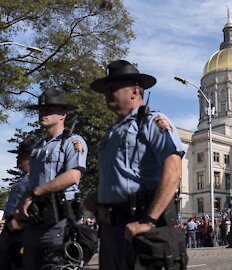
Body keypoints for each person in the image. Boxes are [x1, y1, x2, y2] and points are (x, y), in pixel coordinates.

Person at [86, 60, 185, 270]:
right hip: (111, 230)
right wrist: (99, 198)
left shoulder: (151, 121)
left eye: (112, 87)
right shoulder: (110, 134)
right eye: (105, 89)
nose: (106, 93)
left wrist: (149, 220)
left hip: (140, 226)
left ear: (134, 91)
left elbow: (174, 168)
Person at [17, 89, 88, 270]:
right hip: (35, 219)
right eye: (41, 110)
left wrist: (34, 193)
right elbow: (33, 181)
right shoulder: (38, 147)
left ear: (63, 114)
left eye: (49, 110)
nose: (43, 113)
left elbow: (73, 175)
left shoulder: (72, 141)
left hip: (59, 220)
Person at [0, 138, 36, 270]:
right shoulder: (23, 179)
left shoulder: (36, 180)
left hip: (22, 230)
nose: (18, 159)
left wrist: (21, 223)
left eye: (22, 157)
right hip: (10, 228)